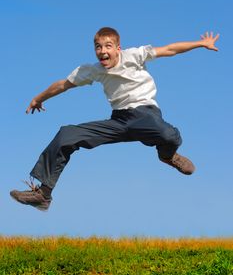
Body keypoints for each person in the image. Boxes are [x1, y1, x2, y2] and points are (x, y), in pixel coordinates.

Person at [10, 27, 219, 211]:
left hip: (146, 115)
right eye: (98, 47)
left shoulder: (135, 55)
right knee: (67, 134)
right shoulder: (93, 70)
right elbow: (63, 84)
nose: (103, 51)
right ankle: (43, 194)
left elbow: (170, 49)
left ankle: (168, 155)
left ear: (118, 47)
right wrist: (38, 98)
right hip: (119, 121)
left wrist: (200, 43)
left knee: (168, 134)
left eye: (108, 46)